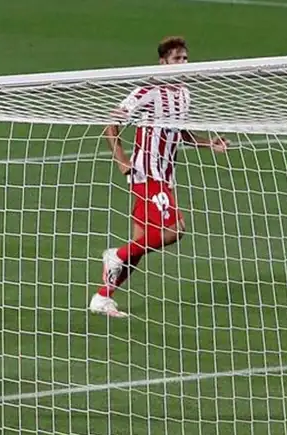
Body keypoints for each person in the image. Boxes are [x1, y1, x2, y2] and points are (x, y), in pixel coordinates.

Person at [89, 36, 229, 317]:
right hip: (147, 174)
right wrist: (122, 162)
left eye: (185, 58)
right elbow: (111, 124)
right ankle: (116, 255)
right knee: (175, 230)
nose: (183, 63)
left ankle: (102, 298)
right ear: (163, 62)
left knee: (141, 242)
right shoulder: (148, 91)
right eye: (177, 59)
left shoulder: (185, 94)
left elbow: (179, 132)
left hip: (166, 176)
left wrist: (208, 143)